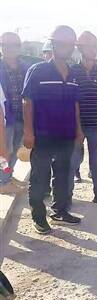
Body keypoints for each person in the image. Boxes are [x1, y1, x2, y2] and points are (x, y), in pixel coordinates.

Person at [22, 25, 84, 234]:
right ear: (53, 44)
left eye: (70, 44)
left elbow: (75, 103)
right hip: (43, 134)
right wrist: (28, 132)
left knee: (63, 175)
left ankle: (60, 211)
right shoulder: (38, 70)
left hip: (66, 134)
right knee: (40, 176)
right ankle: (39, 216)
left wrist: (79, 130)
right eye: (62, 44)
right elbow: (27, 101)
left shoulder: (73, 73)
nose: (67, 48)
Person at [68, 31, 97, 207]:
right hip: (75, 125)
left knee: (96, 161)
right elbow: (70, 98)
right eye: (89, 46)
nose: (93, 50)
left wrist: (95, 109)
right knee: (72, 160)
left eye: (95, 46)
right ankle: (67, 195)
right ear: (80, 48)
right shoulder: (72, 71)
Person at [0, 32, 29, 193]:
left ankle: (7, 176)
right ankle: (3, 182)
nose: (10, 48)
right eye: (6, 45)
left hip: (21, 116)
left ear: (20, 47)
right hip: (4, 118)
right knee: (4, 150)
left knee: (15, 149)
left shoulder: (26, 68)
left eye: (14, 45)